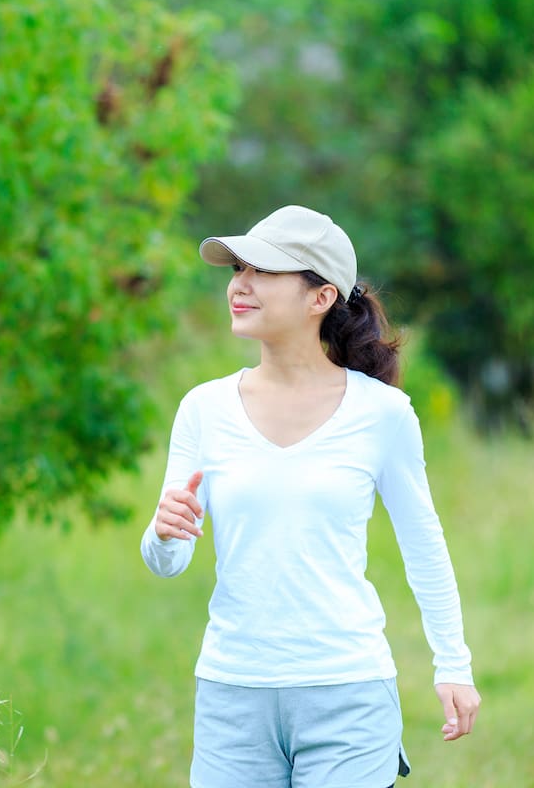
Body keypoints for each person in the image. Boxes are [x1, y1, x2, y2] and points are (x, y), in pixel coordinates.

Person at [140, 205, 480, 788]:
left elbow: (424, 544)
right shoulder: (204, 408)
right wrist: (163, 532)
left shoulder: (383, 413)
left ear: (321, 297)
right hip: (232, 695)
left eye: (263, 271)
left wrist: (454, 664)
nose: (239, 285)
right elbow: (167, 560)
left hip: (348, 695)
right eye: (237, 269)